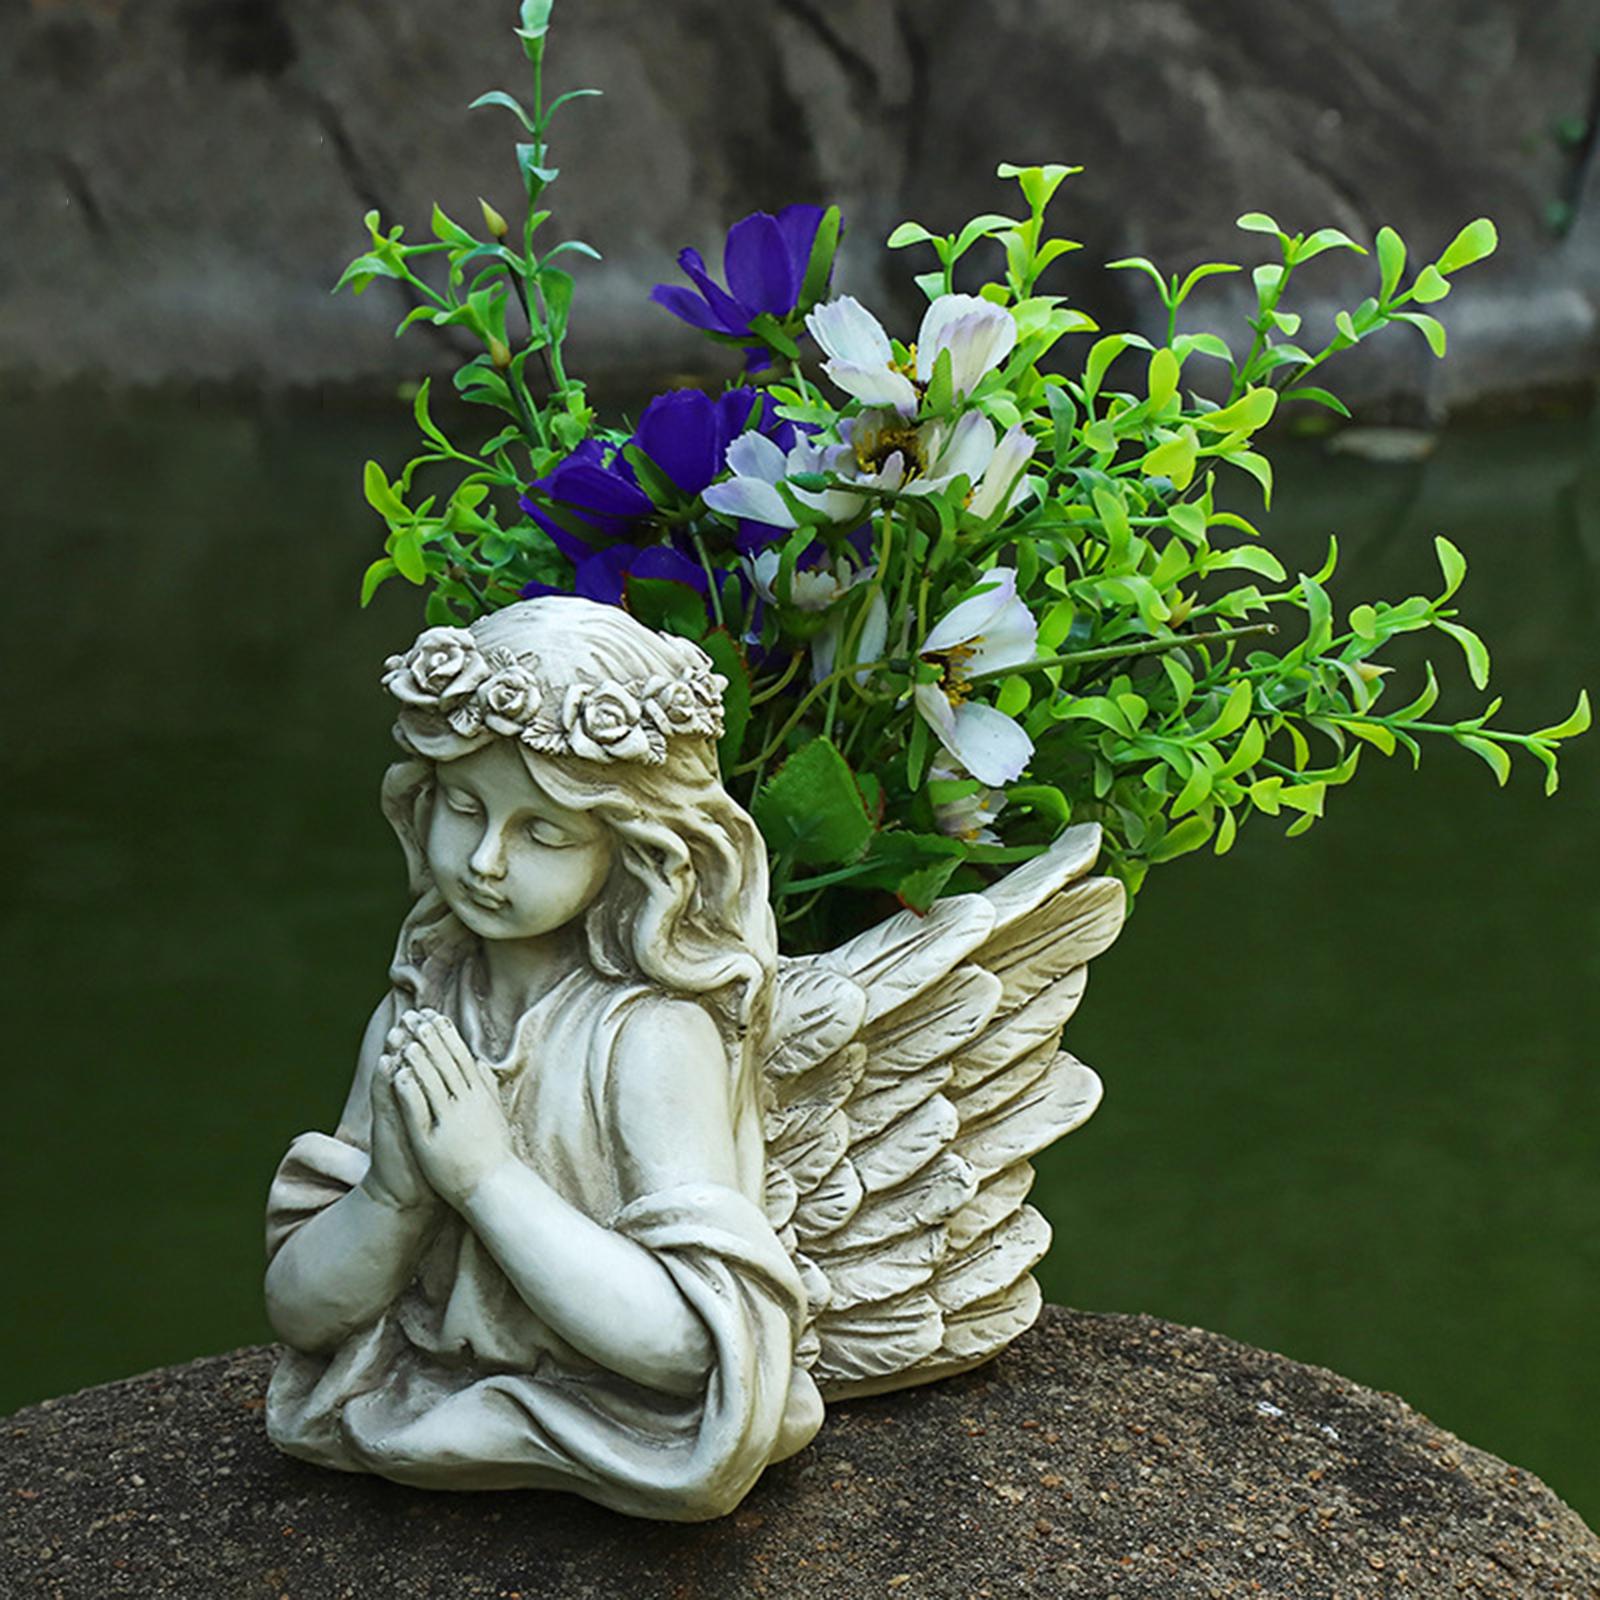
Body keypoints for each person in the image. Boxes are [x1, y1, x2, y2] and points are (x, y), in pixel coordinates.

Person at [263, 598, 824, 1521]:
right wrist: (394, 1198)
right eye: (464, 806)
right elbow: (299, 1311)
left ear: (634, 850)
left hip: (610, 1414)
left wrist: (485, 1179)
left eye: (544, 833)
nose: (485, 859)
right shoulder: (419, 1006)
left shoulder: (650, 1038)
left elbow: (693, 1346)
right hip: (418, 1399)